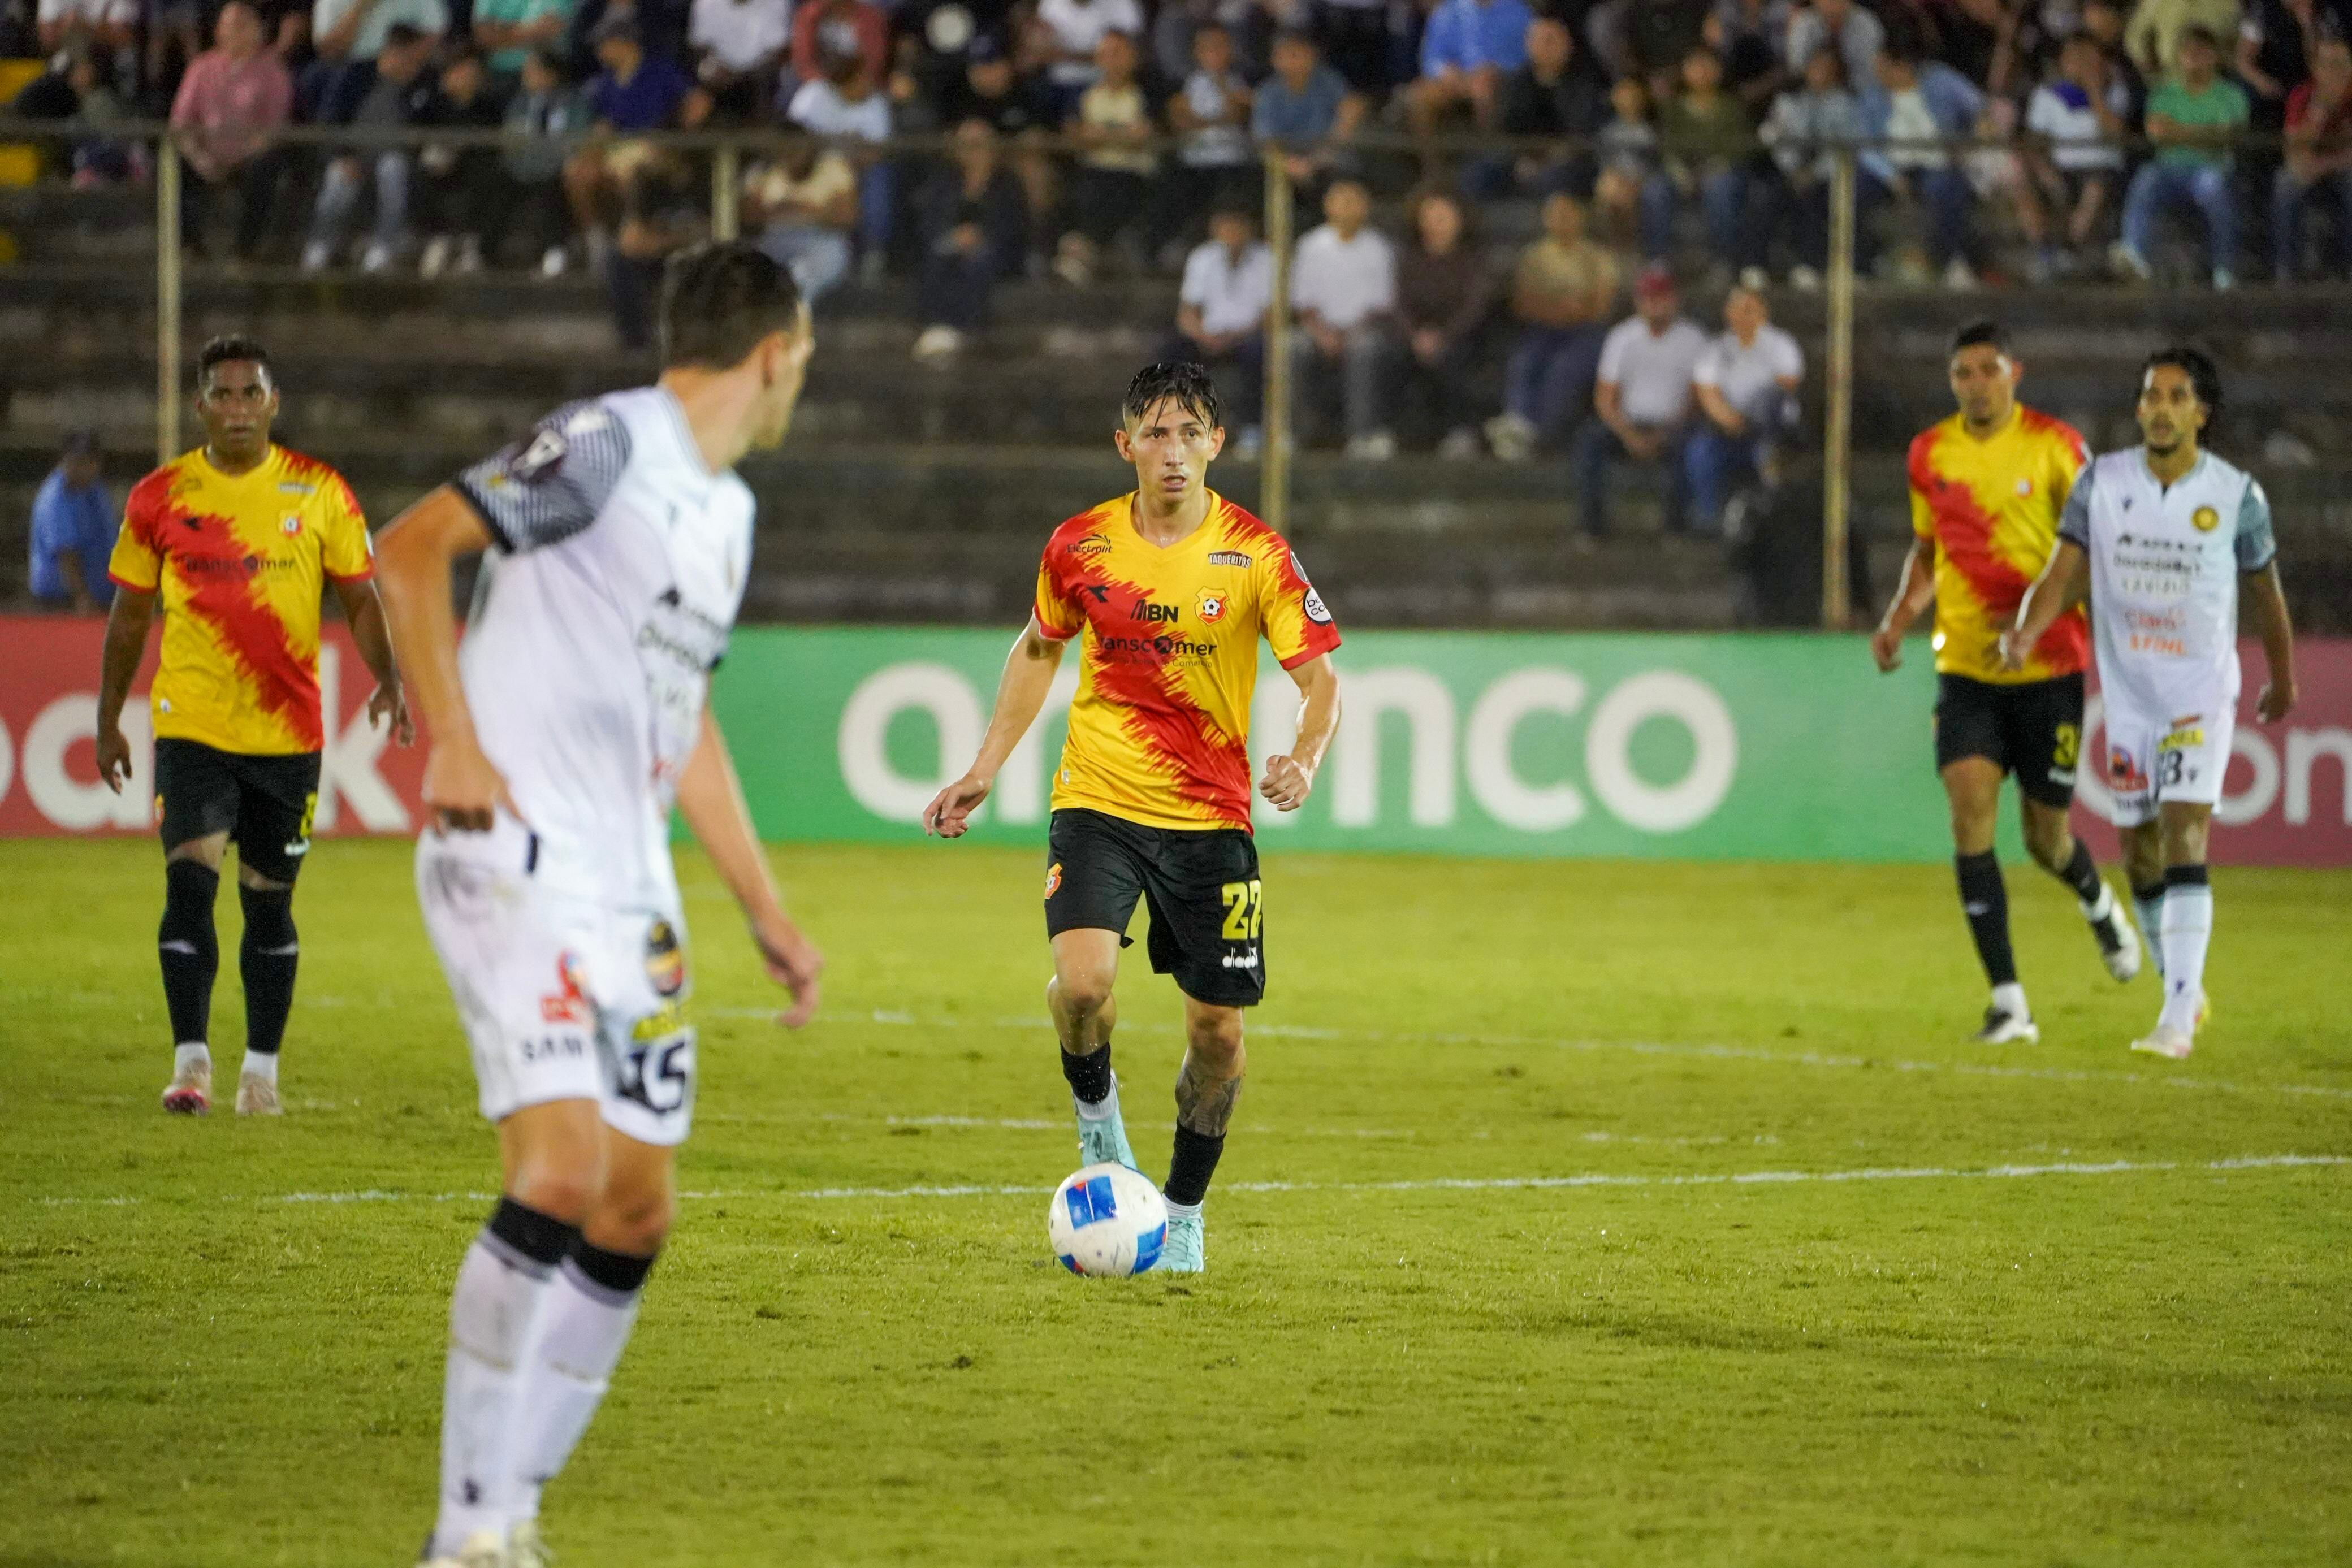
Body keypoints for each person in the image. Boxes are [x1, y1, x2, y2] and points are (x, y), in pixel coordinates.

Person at [371, 242, 825, 1567]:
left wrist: (764, 907)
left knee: (635, 1209)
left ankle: (511, 1516)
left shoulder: (726, 514)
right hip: (513, 849)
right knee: (562, 1172)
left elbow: (684, 728)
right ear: (774, 353)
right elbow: (409, 554)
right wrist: (451, 741)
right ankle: (464, 1535)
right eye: (803, 358)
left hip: (633, 892)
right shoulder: (608, 443)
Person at [921, 360, 1343, 1279]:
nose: (1174, 450)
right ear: (1126, 446)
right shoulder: (1080, 545)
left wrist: (1303, 758)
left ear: (1217, 444)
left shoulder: (1256, 552)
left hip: (1211, 817)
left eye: (1191, 431)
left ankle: (1183, 1212)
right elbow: (1039, 647)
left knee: (1218, 1035)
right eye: (1155, 431)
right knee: (1080, 988)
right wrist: (984, 767)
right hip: (1099, 801)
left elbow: (1320, 679)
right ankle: (1097, 1118)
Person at [93, 335, 408, 1118]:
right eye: (222, 395)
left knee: (269, 902)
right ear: (199, 406)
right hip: (192, 724)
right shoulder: (160, 497)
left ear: (274, 402)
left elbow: (361, 598)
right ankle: (190, 1061)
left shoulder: (320, 491)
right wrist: (108, 719)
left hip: (287, 734)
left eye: (250, 393)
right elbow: (130, 616)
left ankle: (260, 1070)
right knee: (189, 879)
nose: (237, 408)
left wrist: (390, 677)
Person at [2004, 347, 2297, 1059]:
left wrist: (2281, 677)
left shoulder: (2235, 495)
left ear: (2200, 412)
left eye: (2175, 396)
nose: (2159, 408)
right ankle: (2182, 989)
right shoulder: (2100, 482)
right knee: (2136, 853)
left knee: (2182, 833)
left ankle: (2171, 1022)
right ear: (2138, 408)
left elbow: (2265, 592)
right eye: (2149, 395)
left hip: (2198, 693)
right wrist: (2025, 631)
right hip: (2128, 696)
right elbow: (2062, 570)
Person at [1869, 319, 2139, 1047]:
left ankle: (2093, 898)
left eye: (1988, 369)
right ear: (1951, 380)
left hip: (2048, 666)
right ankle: (2008, 1000)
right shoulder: (1929, 453)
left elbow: (2091, 551)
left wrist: (2043, 622)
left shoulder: (2056, 447)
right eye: (1963, 373)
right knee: (1968, 815)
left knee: (2045, 837)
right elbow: (1928, 552)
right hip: (1964, 667)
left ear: (2012, 373)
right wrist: (1898, 618)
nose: (1976, 383)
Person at [1572, 266, 1709, 537]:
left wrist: (1664, 434)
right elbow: (1605, 397)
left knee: (1693, 445)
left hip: (1675, 424)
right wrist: (1629, 434)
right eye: (1649, 296)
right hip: (1628, 422)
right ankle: (1592, 526)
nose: (1655, 303)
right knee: (1589, 442)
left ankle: (1676, 527)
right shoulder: (1622, 338)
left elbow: (1697, 398)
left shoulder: (1695, 339)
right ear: (1638, 300)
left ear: (1675, 299)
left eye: (1662, 296)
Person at [1486, 192, 1618, 462]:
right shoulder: (1534, 256)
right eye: (1556, 215)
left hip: (1587, 332)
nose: (1562, 221)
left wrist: (1566, 309)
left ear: (1581, 218)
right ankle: (1517, 422)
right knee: (1525, 361)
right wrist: (1561, 309)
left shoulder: (1599, 257)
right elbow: (1523, 303)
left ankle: (1539, 434)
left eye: (1568, 215)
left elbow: (1600, 306)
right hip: (1543, 329)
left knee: (1565, 368)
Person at [2115, 24, 2250, 287]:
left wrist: (2178, 132)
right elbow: (2156, 133)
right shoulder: (2164, 94)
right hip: (2169, 169)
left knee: (2214, 187)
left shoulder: (2231, 95)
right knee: (2146, 177)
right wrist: (2204, 133)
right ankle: (2135, 254)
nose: (2194, 58)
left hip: (2212, 168)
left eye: (2201, 52)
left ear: (2214, 56)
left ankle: (2224, 269)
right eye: (2188, 52)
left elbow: (2227, 138)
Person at [301, 21, 438, 274]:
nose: (412, 63)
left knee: (393, 169)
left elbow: (429, 128)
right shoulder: (356, 75)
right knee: (338, 180)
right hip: (352, 155)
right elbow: (328, 121)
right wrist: (341, 156)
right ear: (391, 51)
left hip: (396, 158)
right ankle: (318, 247)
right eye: (406, 56)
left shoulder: (422, 83)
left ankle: (383, 249)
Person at [1862, 35, 1989, 291]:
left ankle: (1951, 261)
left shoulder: (1940, 80)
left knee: (1947, 188)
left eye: (1882, 66)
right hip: (1895, 167)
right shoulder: (1872, 98)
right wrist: (1891, 176)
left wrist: (1976, 133)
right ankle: (1862, 265)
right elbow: (1865, 146)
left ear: (1900, 65)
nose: (1876, 72)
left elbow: (1979, 107)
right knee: (1854, 187)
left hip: (1937, 163)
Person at [171, 1, 293, 261]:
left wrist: (243, 155)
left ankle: (245, 251)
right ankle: (188, 248)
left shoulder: (273, 71)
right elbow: (181, 122)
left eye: (241, 26)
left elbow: (275, 126)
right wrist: (201, 158)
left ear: (257, 31)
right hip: (205, 155)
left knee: (266, 168)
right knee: (173, 164)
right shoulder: (201, 67)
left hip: (249, 155)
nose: (234, 32)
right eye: (228, 26)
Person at [1289, 177, 1399, 460]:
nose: (1347, 209)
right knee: (1290, 346)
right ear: (1328, 206)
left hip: (1363, 328)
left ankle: (1362, 434)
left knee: (1366, 348)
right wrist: (1323, 333)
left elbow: (1381, 305)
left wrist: (1348, 334)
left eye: (1354, 202)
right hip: (1318, 329)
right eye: (1341, 201)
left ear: (1366, 208)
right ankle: (1293, 433)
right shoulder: (1310, 245)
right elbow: (1302, 302)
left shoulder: (1379, 248)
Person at [2015, 32, 2133, 281]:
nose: (2081, 64)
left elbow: (2114, 132)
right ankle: (2045, 253)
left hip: (2101, 168)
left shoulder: (2117, 90)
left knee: (2096, 188)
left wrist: (2094, 91)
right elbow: (2034, 143)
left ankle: (2069, 252)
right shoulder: (2048, 94)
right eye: (2074, 58)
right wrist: (2046, 174)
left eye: (2088, 58)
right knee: (2022, 185)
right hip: (2061, 168)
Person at [1687, 284, 1802, 532]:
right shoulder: (1716, 349)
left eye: (1750, 309)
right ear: (1728, 313)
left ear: (1763, 313)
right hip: (1729, 430)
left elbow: (1787, 385)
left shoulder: (1781, 344)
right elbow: (1708, 394)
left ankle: (1774, 521)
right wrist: (1732, 421)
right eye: (1737, 309)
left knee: (1770, 426)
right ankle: (1711, 521)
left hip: (1772, 429)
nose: (1742, 315)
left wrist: (1754, 420)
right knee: (1700, 451)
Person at [913, 118, 1030, 360]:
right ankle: (936, 326)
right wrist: (955, 236)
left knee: (978, 264)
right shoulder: (945, 181)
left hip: (994, 248)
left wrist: (981, 236)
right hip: (951, 243)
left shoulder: (1007, 184)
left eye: (979, 144)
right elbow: (930, 220)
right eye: (967, 144)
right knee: (937, 259)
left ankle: (963, 329)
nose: (974, 151)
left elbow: (1014, 226)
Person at [1395, 188, 1495, 458]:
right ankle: (1391, 433)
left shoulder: (1473, 260)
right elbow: (1399, 303)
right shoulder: (1408, 259)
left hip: (1461, 334)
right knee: (1386, 352)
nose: (1437, 222)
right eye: (1431, 216)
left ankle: (1460, 431)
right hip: (1415, 335)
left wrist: (1444, 336)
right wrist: (1415, 335)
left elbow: (1475, 307)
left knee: (1456, 356)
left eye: (1444, 216)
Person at [1758, 41, 1864, 289]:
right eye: (1815, 67)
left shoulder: (1845, 105)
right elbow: (1771, 136)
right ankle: (1756, 266)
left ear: (1837, 72)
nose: (1819, 73)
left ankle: (1809, 265)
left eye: (1826, 68)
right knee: (1765, 197)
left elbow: (1844, 150)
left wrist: (1813, 173)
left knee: (1816, 200)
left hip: (1829, 175)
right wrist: (1793, 168)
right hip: (1790, 170)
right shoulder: (1790, 101)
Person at [1650, 43, 1762, 272]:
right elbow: (1666, 148)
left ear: (1718, 71)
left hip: (1723, 172)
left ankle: (1722, 261)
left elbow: (1743, 146)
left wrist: (1716, 168)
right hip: (1683, 172)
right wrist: (1681, 175)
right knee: (1654, 190)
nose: (1701, 71)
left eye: (1706, 65)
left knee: (1720, 189)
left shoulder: (1732, 107)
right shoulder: (1673, 109)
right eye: (1694, 66)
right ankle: (1658, 261)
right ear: (1684, 71)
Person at [1057, 30, 1157, 285]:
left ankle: (1081, 252)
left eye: (1119, 54)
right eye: (1107, 55)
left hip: (1134, 173)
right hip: (1094, 169)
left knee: (1110, 190)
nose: (1113, 61)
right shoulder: (1086, 95)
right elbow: (1077, 135)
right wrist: (1120, 134)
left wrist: (1103, 134)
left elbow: (1142, 136)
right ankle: (1080, 252)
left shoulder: (1147, 93)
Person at [1169, 203, 1273, 447]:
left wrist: (1234, 337)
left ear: (1250, 229)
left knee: (1259, 352)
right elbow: (1187, 312)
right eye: (1225, 225)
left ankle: (1252, 428)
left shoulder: (1268, 259)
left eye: (1237, 226)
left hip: (1248, 336)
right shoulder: (1202, 257)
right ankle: (1179, 424)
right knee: (1172, 351)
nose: (1231, 232)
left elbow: (1271, 315)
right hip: (1209, 336)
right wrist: (1202, 335)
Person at [1482, 15, 1605, 199]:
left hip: (1572, 159)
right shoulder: (1518, 82)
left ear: (1568, 44)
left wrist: (1544, 161)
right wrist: (1523, 157)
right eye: (1540, 41)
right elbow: (1508, 126)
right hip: (1523, 154)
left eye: (1552, 41)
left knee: (1551, 179)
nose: (1547, 48)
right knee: (1482, 173)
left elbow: (1582, 131)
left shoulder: (1585, 81)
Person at [416, 48, 508, 279]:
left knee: (490, 175)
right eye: (461, 71)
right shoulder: (432, 103)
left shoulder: (489, 104)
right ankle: (439, 240)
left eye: (472, 72)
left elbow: (494, 140)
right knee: (424, 171)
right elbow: (416, 137)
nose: (467, 77)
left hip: (476, 165)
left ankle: (473, 247)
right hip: (439, 164)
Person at [502, 47, 591, 276]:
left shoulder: (573, 102)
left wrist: (547, 159)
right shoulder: (519, 104)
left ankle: (555, 251)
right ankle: (482, 251)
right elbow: (511, 140)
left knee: (551, 183)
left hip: (558, 169)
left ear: (551, 74)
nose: (526, 76)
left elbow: (576, 140)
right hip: (521, 167)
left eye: (533, 71)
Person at [1252, 28, 1364, 205]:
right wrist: (1289, 164)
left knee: (1342, 176)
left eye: (1295, 54)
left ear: (1312, 55)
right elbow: (1266, 142)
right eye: (1283, 55)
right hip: (1285, 159)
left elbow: (1348, 118)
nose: (1290, 62)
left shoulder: (1330, 82)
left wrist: (1315, 161)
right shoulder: (1268, 91)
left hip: (1327, 157)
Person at [2272, 34, 2352, 280]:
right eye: (2327, 64)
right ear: (2316, 69)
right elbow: (2292, 149)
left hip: (2343, 167)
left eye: (2340, 64)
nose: (2334, 71)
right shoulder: (2302, 95)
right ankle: (2286, 270)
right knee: (2284, 184)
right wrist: (2318, 115)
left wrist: (2325, 165)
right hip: (2309, 166)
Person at [747, 127, 859, 302]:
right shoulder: (763, 170)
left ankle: (797, 322)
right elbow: (747, 219)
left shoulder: (832, 166)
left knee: (801, 276)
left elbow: (847, 218)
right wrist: (781, 210)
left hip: (821, 239)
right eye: (785, 148)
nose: (792, 153)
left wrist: (806, 211)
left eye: (797, 148)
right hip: (775, 237)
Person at [1408, 0, 1535, 137]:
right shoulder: (1447, 12)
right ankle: (1430, 157)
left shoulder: (1518, 12)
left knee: (1483, 88)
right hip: (1455, 81)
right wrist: (1446, 71)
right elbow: (1431, 57)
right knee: (1420, 96)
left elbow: (1530, 56)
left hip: (1500, 80)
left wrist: (1497, 69)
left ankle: (1490, 154)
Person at [28, 432, 115, 614]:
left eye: (88, 462)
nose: (82, 468)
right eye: (76, 461)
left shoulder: (95, 490)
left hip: (100, 598)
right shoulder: (56, 498)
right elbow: (66, 555)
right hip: (63, 603)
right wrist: (82, 597)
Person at [688, 0, 788, 120]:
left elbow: (778, 48)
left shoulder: (777, 2)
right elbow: (700, 45)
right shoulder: (706, 3)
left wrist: (747, 72)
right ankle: (706, 121)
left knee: (776, 74)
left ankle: (762, 122)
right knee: (706, 72)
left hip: (760, 68)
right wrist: (720, 66)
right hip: (719, 66)